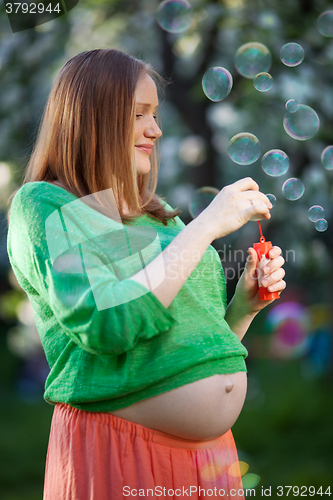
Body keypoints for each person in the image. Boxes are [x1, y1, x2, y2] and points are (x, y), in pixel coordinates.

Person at [6, 48, 286, 500]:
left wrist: (243, 309)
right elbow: (107, 323)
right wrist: (207, 226)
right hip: (121, 453)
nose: (155, 130)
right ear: (91, 117)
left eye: (155, 115)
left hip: (212, 460)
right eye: (139, 114)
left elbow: (192, 347)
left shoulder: (161, 218)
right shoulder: (44, 204)